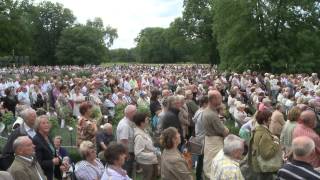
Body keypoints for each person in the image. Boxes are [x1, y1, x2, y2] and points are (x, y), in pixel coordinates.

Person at [202, 90, 229, 178]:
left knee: (211, 165)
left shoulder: (208, 111)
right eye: (219, 98)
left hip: (210, 141)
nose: (221, 99)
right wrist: (226, 129)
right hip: (215, 143)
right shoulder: (211, 114)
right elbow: (224, 132)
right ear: (213, 99)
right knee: (216, 167)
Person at [250, 109, 281, 180]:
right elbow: (267, 154)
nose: (271, 121)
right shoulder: (264, 134)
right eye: (270, 120)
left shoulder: (257, 129)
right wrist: (276, 142)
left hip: (258, 163)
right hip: (264, 167)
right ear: (264, 121)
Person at [32, 115, 61, 180]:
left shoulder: (48, 137)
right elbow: (38, 163)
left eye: (48, 123)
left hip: (53, 173)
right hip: (44, 175)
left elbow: (54, 154)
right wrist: (52, 162)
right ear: (38, 126)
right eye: (43, 123)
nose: (46, 125)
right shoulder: (36, 140)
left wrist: (61, 161)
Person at [133, 112, 159, 180]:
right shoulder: (139, 136)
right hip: (146, 163)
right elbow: (138, 153)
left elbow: (148, 144)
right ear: (142, 123)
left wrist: (155, 149)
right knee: (148, 177)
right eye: (147, 120)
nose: (148, 121)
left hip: (151, 160)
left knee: (154, 176)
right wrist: (153, 154)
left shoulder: (144, 130)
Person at [116, 104, 137, 178]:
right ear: (130, 113)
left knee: (130, 172)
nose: (137, 114)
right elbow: (124, 142)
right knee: (127, 173)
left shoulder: (129, 122)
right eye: (135, 112)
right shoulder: (124, 125)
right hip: (126, 154)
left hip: (129, 153)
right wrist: (127, 155)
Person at [192, 95, 208, 180]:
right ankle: (199, 176)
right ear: (205, 103)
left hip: (200, 136)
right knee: (201, 158)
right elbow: (206, 127)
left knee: (201, 158)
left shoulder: (199, 110)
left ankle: (199, 175)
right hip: (203, 138)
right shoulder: (203, 113)